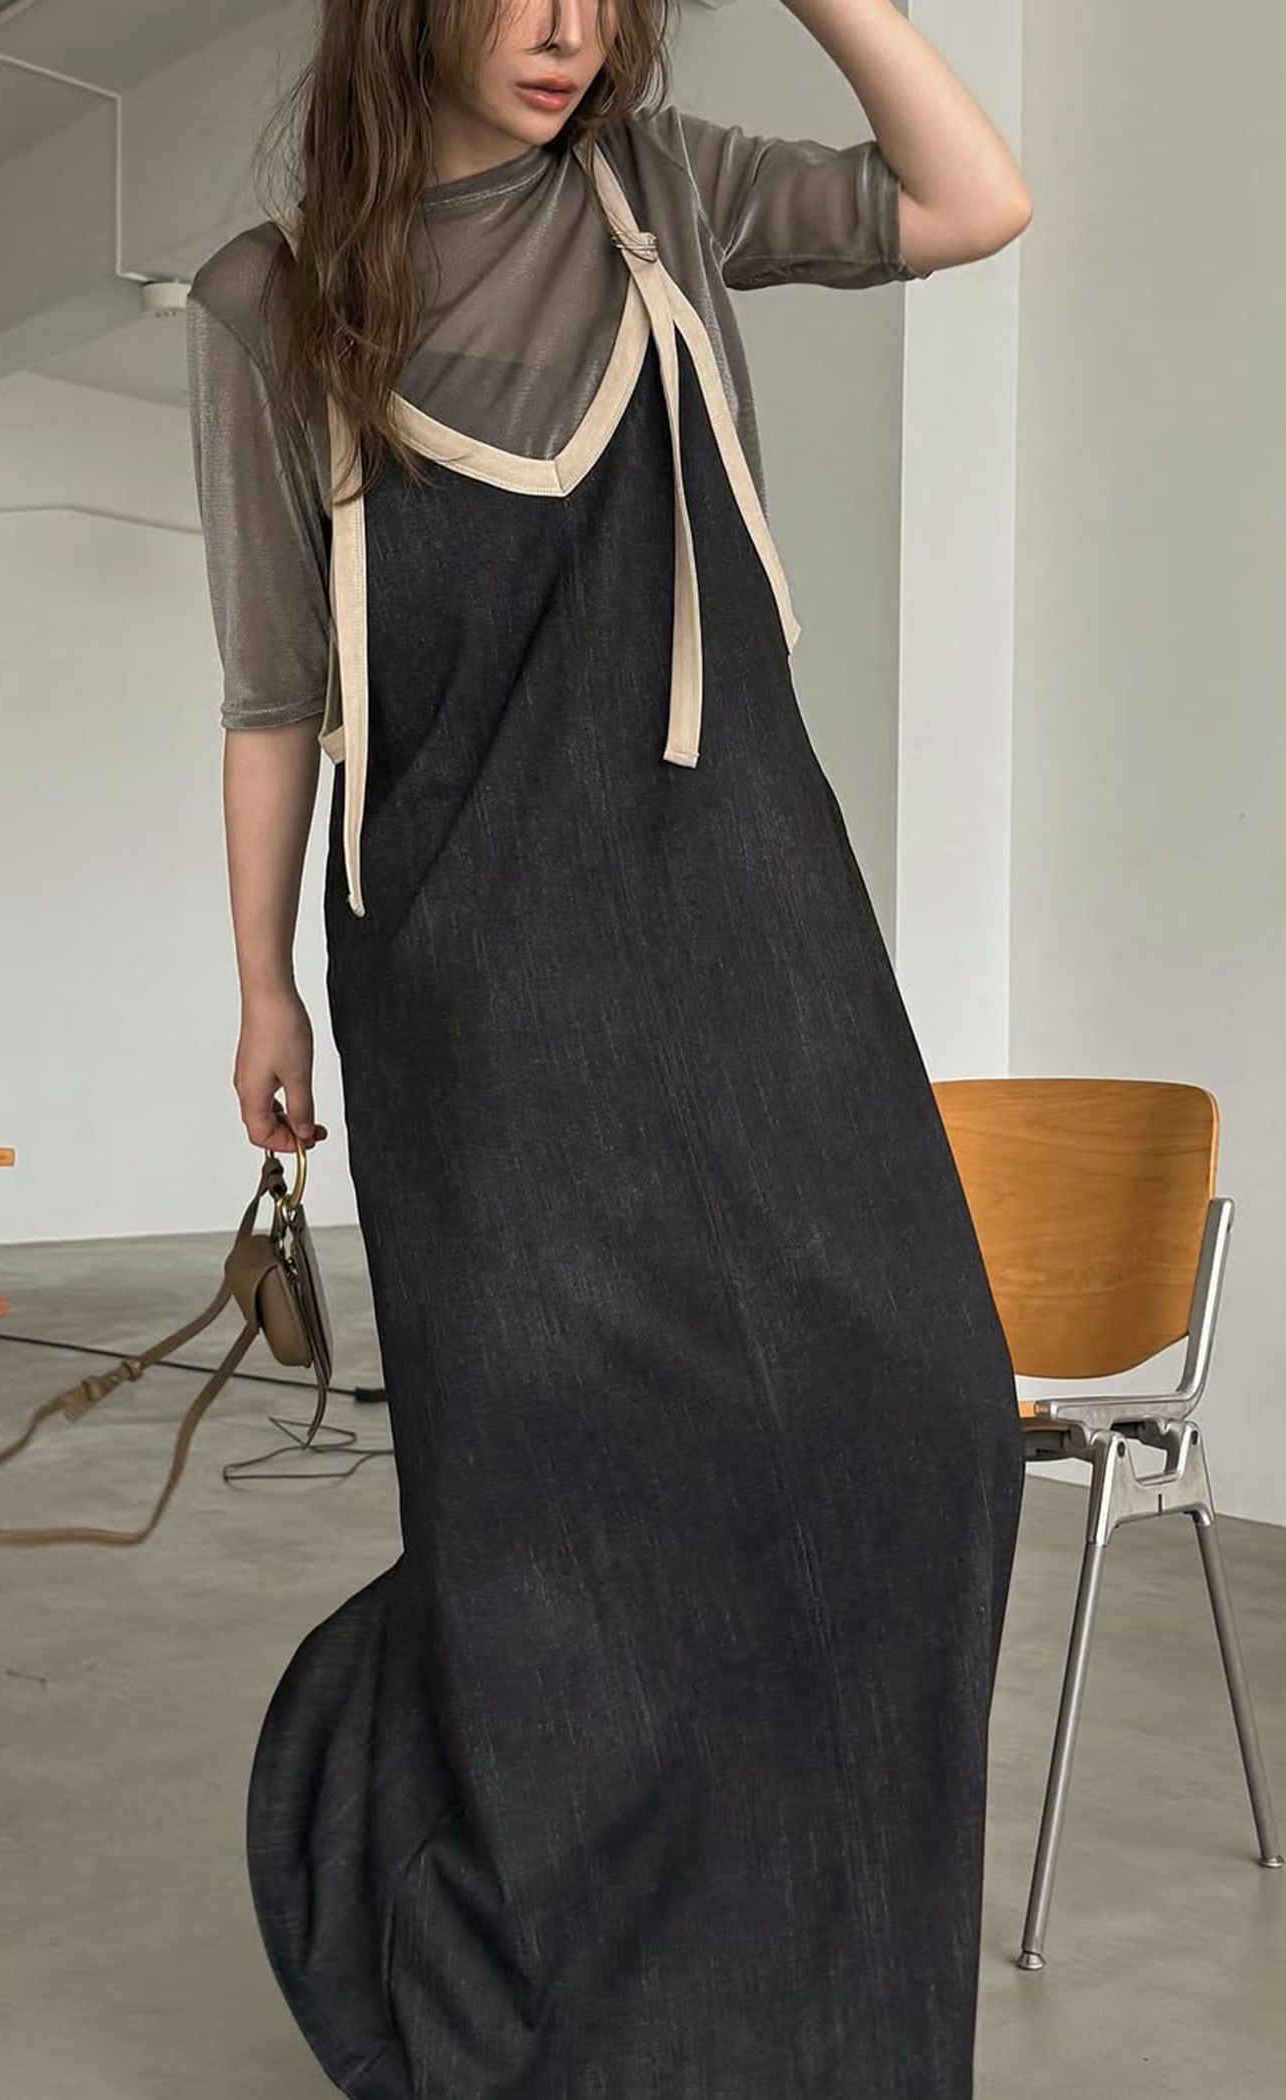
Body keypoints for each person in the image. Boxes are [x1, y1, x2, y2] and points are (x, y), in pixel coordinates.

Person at [186, 2, 1032, 2092]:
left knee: (926, 1434)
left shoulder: (667, 188)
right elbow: (276, 689)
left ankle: (838, 2028)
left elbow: (974, 202)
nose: (570, 27)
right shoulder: (269, 304)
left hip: (752, 928)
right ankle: (586, 2008)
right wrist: (262, 981)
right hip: (478, 988)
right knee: (556, 1512)